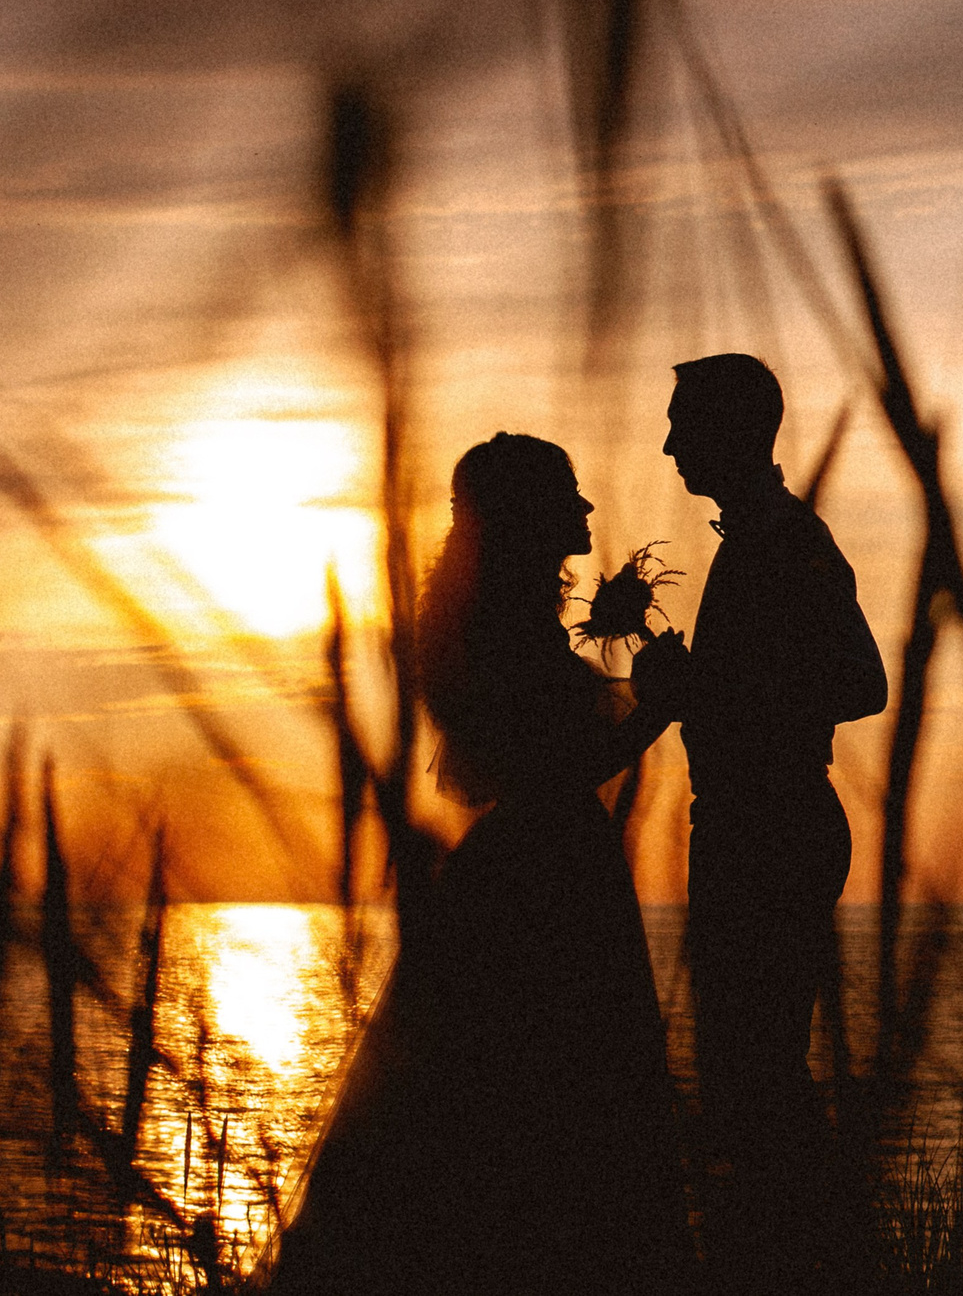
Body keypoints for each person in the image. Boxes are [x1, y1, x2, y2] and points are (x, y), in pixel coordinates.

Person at [270, 433, 690, 1296]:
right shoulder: (498, 626)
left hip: (521, 865)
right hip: (547, 879)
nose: (585, 510)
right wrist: (658, 710)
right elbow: (553, 759)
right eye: (568, 496)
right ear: (530, 515)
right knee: (552, 1096)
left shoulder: (485, 614)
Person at [639, 354, 887, 1291]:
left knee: (759, 1076)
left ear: (733, 431)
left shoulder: (788, 541)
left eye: (681, 423)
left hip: (772, 829)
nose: (667, 442)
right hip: (751, 824)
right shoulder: (756, 541)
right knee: (754, 1073)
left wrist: (705, 688)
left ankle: (804, 1260)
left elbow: (864, 682)